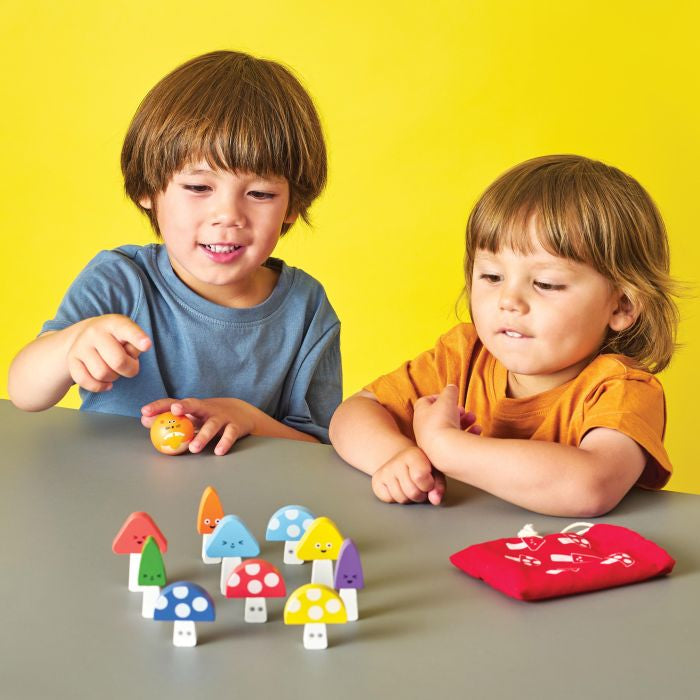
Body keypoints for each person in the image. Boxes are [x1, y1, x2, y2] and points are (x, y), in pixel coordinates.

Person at [8, 50, 341, 453]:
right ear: (149, 189)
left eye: (260, 193)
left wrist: (248, 418)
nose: (227, 216)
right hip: (117, 500)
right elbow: (25, 393)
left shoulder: (306, 308)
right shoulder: (119, 281)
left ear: (291, 206)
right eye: (199, 187)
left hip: (242, 510)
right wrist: (70, 345)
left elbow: (319, 449)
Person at [330, 155, 678, 516]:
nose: (509, 301)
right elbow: (354, 413)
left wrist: (447, 448)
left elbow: (591, 486)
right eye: (492, 277)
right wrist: (396, 457)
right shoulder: (464, 355)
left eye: (546, 283)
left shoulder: (623, 390)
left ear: (621, 306)